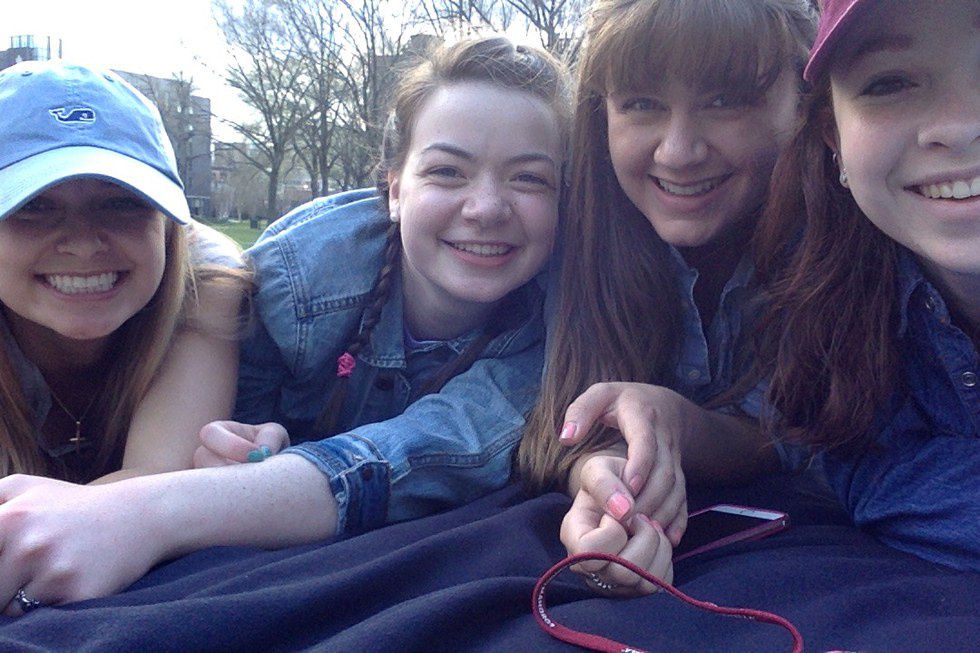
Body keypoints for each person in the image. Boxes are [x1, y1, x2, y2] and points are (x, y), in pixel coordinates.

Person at [0, 36, 570, 613]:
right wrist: (242, 458)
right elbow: (190, 474)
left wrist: (246, 468)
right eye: (447, 171)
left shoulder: (572, 321)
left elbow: (438, 444)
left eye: (529, 179)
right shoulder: (292, 281)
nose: (486, 208)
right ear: (395, 188)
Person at [515, 0, 816, 595]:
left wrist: (675, 423)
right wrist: (604, 470)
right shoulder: (558, 234)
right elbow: (515, 396)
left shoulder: (852, 238)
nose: (677, 151)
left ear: (804, 103)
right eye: (642, 104)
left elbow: (789, 429)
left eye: (724, 100)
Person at [749, 0, 979, 571]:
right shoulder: (840, 312)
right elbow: (868, 467)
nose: (958, 127)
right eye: (889, 83)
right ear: (835, 140)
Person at [0, 60, 243, 491]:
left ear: (168, 226)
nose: (83, 244)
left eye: (122, 203)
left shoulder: (204, 279)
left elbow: (152, 489)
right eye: (33, 205)